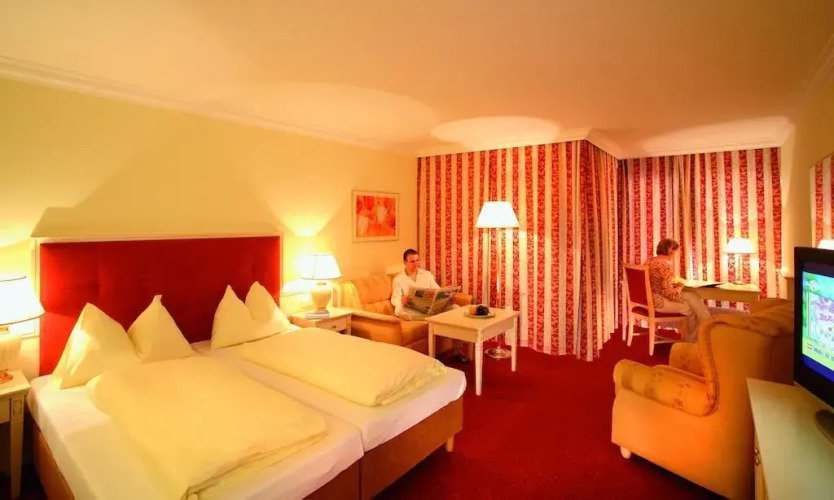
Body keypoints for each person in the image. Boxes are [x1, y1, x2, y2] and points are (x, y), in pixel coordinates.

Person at [391, 249, 469, 362]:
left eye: (417, 260)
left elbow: (437, 291)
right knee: (400, 311)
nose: (416, 264)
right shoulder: (398, 279)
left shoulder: (426, 274)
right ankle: (435, 319)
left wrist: (448, 297)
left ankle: (457, 351)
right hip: (414, 310)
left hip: (432, 308)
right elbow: (394, 299)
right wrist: (402, 300)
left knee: (455, 309)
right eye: (412, 261)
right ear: (405, 263)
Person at [644, 238, 711, 342]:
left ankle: (708, 324)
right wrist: (680, 286)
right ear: (670, 251)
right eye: (675, 252)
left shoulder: (650, 261)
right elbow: (670, 295)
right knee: (690, 309)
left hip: (649, 299)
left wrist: (673, 285)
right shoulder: (665, 267)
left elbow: (658, 284)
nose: (675, 255)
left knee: (692, 296)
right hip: (659, 302)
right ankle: (693, 340)